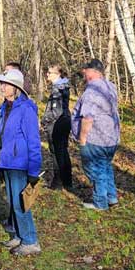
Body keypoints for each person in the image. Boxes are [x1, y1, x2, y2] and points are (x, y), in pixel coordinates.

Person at [0, 69, 42, 256]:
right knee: (12, 202)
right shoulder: (4, 107)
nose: (2, 87)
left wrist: (34, 170)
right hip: (5, 162)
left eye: (6, 84)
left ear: (16, 88)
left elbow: (34, 141)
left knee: (20, 204)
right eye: (2, 84)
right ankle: (18, 235)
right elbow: (0, 131)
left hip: (19, 164)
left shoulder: (26, 109)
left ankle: (30, 241)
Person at [71, 59, 120, 211]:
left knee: (94, 169)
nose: (83, 74)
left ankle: (100, 202)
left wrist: (83, 139)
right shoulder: (110, 86)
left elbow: (88, 117)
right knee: (105, 166)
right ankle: (111, 197)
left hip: (96, 138)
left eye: (85, 71)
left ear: (92, 71)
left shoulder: (92, 91)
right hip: (111, 137)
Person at [41, 64, 72, 190]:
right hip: (64, 121)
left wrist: (45, 121)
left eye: (49, 72)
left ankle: (58, 182)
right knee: (63, 151)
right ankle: (67, 181)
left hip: (57, 124)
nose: (47, 74)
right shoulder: (63, 87)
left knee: (56, 152)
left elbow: (55, 111)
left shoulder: (58, 89)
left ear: (57, 74)